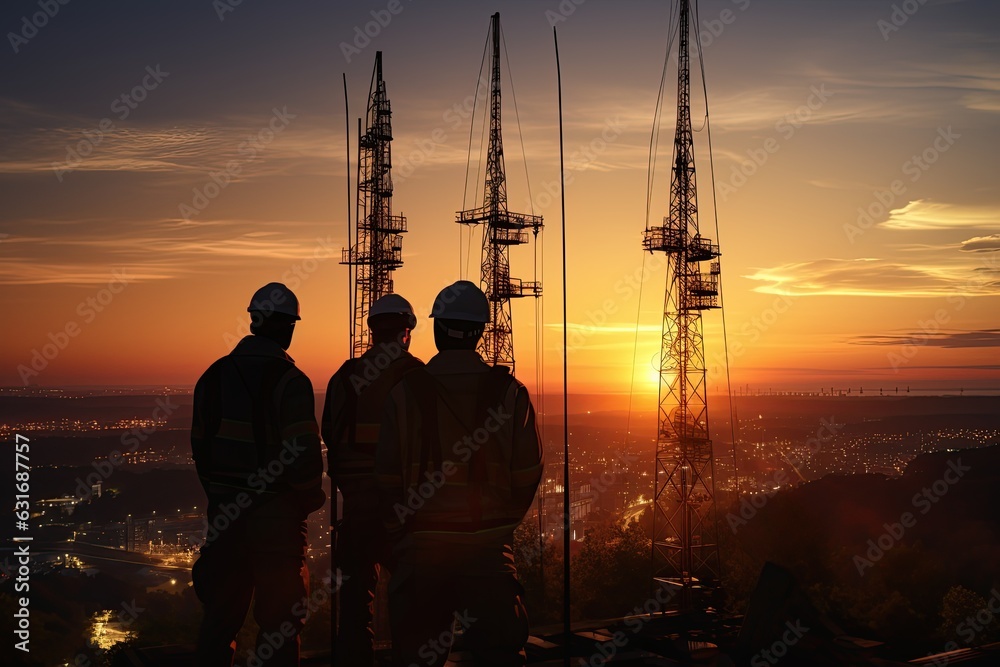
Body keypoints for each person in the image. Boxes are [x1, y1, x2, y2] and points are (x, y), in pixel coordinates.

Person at [376, 280, 543, 667]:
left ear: (436, 330)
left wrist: (400, 532)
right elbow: (528, 472)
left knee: (418, 656)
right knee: (500, 653)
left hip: (423, 549)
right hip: (487, 550)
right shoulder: (510, 394)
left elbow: (386, 478)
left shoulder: (404, 394)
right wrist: (501, 525)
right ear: (481, 332)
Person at [190, 282, 325, 667]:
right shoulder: (290, 381)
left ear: (253, 321)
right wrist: (308, 498)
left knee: (219, 620)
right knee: (280, 625)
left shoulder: (214, 377)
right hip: (276, 524)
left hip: (226, 519)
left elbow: (200, 449)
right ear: (288, 327)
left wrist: (221, 495)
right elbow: (303, 457)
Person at [322, 293, 424, 667]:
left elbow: (330, 433)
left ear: (372, 330)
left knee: (354, 607)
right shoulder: (416, 377)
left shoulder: (346, 377)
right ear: (406, 332)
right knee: (412, 604)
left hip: (358, 511)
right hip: (403, 511)